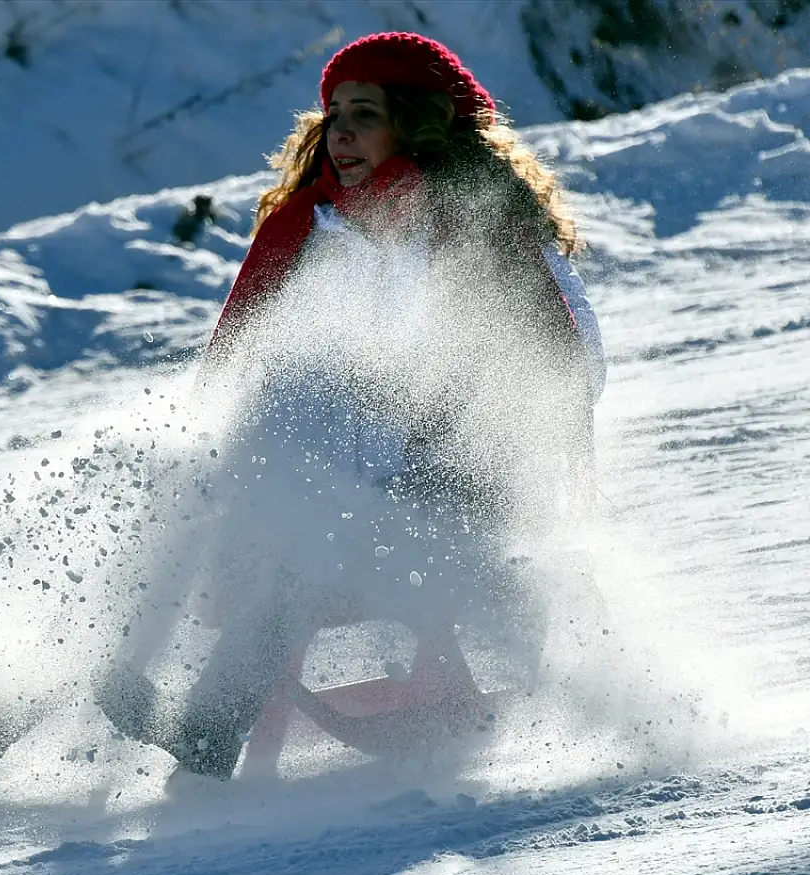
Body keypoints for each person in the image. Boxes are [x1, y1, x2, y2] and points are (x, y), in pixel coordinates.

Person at [96, 32, 607, 781]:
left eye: (363, 114)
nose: (339, 134)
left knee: (306, 534)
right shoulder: (314, 224)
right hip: (323, 479)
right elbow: (239, 364)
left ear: (418, 121)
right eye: (332, 115)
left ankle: (210, 722)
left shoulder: (477, 223)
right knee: (155, 502)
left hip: (451, 499)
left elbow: (563, 365)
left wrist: (431, 437)